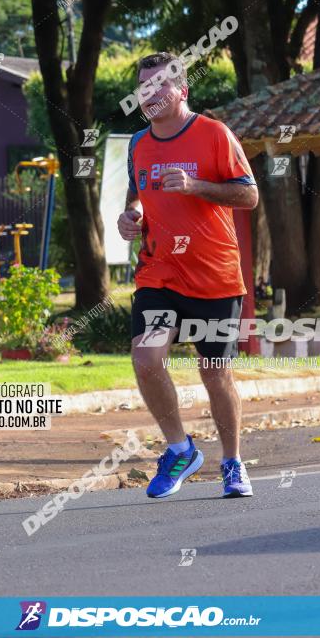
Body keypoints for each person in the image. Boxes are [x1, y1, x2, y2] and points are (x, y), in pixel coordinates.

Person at [117, 52, 258, 499]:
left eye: (159, 86)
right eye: (144, 88)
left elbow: (249, 195)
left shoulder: (214, 135)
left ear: (182, 90)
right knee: (146, 358)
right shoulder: (138, 143)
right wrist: (132, 215)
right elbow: (137, 193)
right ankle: (180, 449)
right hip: (160, 274)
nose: (150, 95)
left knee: (215, 371)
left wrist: (197, 186)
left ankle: (232, 462)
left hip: (214, 276)